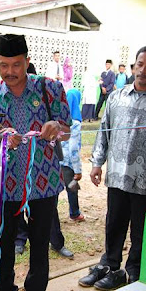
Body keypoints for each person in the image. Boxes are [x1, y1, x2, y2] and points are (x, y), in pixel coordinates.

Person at [0, 34, 71, 291]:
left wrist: (55, 126)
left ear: (27, 61)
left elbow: (67, 130)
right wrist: (0, 136)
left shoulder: (49, 88)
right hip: (6, 184)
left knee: (39, 243)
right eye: (4, 65)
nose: (10, 72)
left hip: (43, 183)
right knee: (4, 242)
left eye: (16, 65)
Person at [78, 45, 146, 291]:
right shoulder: (117, 97)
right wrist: (97, 162)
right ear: (133, 66)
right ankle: (109, 265)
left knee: (140, 227)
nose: (143, 70)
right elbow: (104, 130)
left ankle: (132, 270)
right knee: (114, 222)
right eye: (140, 64)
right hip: (116, 174)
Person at [61, 88, 85, 223]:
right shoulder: (75, 123)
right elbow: (73, 148)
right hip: (68, 162)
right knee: (72, 187)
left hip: (56, 160)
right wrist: (78, 170)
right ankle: (75, 213)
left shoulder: (59, 120)